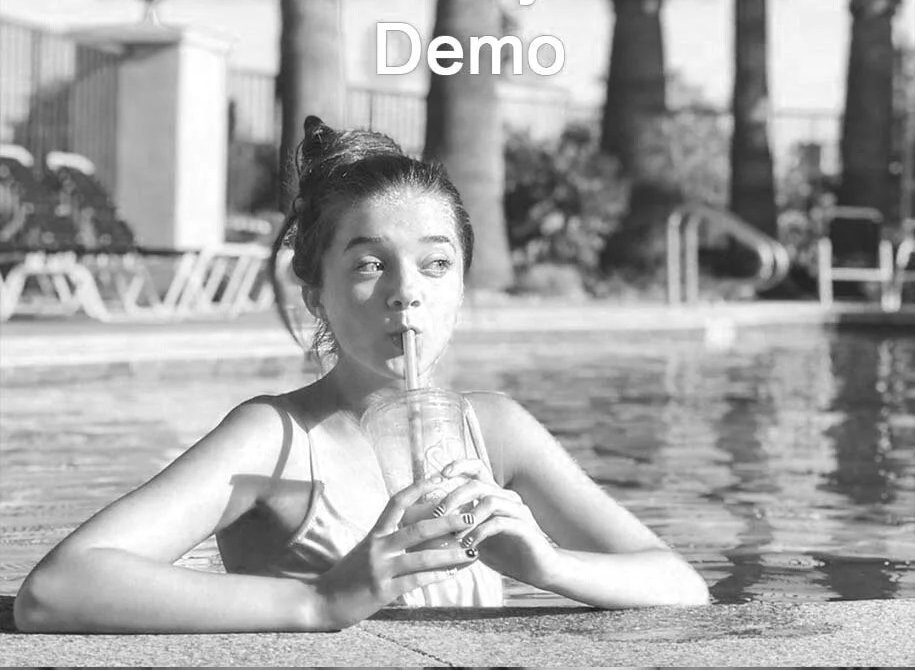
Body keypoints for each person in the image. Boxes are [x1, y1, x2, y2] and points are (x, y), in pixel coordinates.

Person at [14, 116, 709, 634]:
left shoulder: (495, 430)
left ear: (461, 286)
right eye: (370, 263)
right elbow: (56, 589)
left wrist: (547, 565)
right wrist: (319, 601)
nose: (407, 293)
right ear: (316, 291)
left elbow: (679, 583)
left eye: (435, 264)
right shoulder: (276, 438)